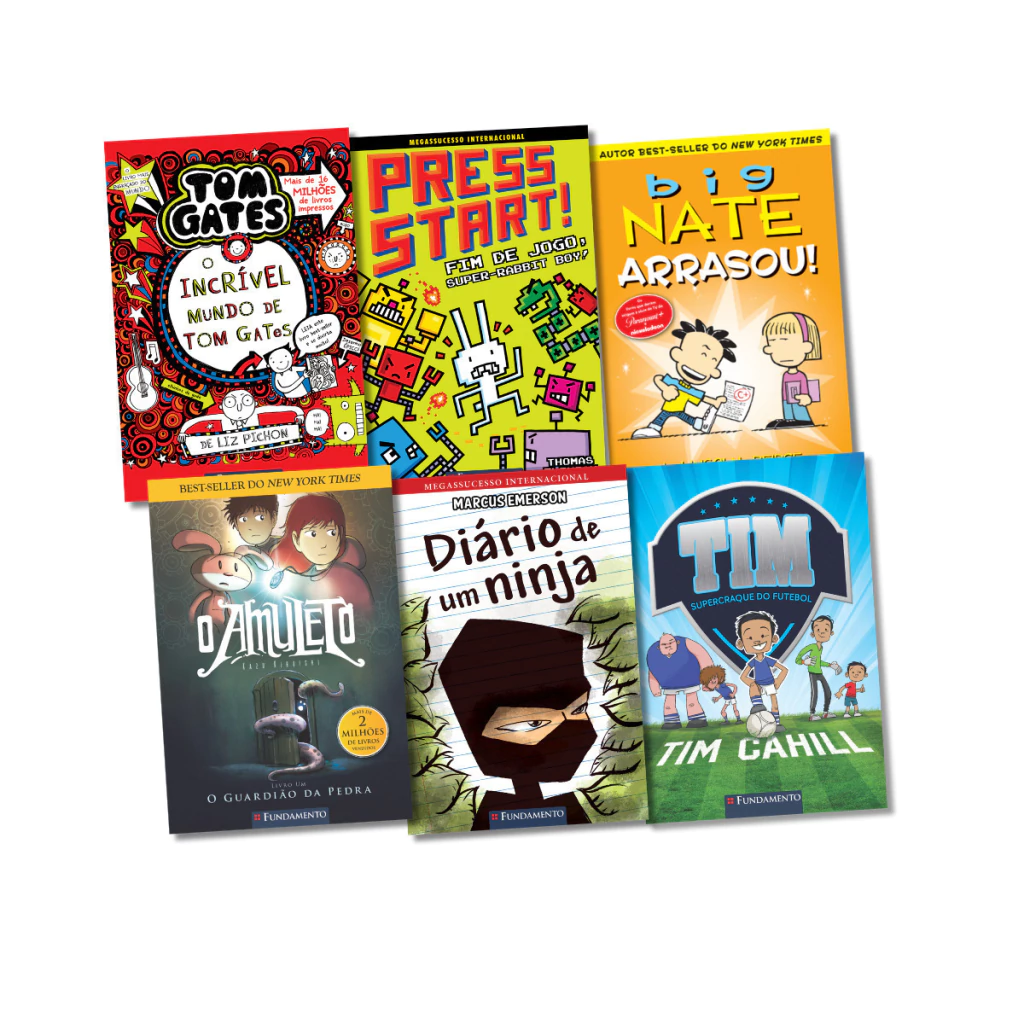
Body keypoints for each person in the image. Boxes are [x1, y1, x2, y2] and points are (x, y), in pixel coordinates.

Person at [440, 619, 596, 830]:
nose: (573, 732)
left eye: (578, 710)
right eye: (534, 723)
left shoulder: (568, 807)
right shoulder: (495, 816)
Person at [631, 319, 736, 438]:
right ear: (677, 354)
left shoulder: (690, 391)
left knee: (670, 414)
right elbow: (658, 379)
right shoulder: (674, 383)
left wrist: (715, 402)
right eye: (701, 355)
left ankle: (656, 427)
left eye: (713, 360)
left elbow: (703, 398)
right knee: (673, 414)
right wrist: (665, 388)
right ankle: (696, 424)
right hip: (672, 407)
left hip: (674, 407)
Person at [270, 493, 372, 614]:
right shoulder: (301, 579)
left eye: (331, 533)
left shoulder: (351, 579)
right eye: (312, 534)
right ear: (296, 540)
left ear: (340, 535)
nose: (323, 544)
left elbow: (367, 616)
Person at [761, 311, 822, 428]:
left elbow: (804, 387)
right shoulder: (785, 375)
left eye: (785, 341)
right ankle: (789, 420)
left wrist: (805, 396)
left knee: (799, 409)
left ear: (806, 346)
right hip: (786, 399)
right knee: (788, 409)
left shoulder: (800, 375)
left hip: (798, 399)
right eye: (773, 342)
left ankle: (803, 420)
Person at [646, 632, 714, 729]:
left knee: (692, 699)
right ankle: (671, 721)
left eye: (671, 642)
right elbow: (653, 670)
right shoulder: (653, 653)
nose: (668, 646)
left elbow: (703, 656)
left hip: (690, 679)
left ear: (677, 642)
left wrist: (707, 679)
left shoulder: (686, 643)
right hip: (669, 684)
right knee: (669, 702)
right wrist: (654, 688)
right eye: (664, 644)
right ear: (659, 647)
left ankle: (697, 719)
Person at [736, 610, 789, 732]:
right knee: (753, 687)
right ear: (741, 643)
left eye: (762, 636)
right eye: (750, 637)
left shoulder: (768, 660)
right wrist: (752, 683)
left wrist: (778, 681)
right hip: (758, 684)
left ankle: (776, 724)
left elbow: (784, 670)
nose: (757, 641)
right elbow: (743, 676)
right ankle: (758, 705)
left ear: (773, 638)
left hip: (770, 682)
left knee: (774, 704)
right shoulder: (752, 662)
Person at [796, 614, 841, 721]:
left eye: (826, 629)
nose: (822, 632)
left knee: (827, 691)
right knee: (815, 693)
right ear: (813, 634)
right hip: (812, 673)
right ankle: (812, 714)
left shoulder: (820, 648)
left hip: (819, 672)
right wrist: (804, 662)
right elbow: (797, 659)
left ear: (831, 633)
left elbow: (818, 661)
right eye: (818, 630)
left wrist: (830, 665)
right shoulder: (812, 647)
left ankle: (825, 712)